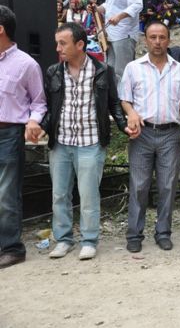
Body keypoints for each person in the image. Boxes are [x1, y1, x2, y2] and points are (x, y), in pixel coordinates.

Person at [40, 23, 133, 260]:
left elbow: (113, 103)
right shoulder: (53, 72)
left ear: (80, 45)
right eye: (57, 42)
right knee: (59, 194)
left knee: (89, 194)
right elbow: (50, 108)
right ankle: (63, 239)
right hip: (61, 142)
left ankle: (89, 240)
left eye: (63, 43)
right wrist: (40, 126)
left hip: (91, 142)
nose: (58, 48)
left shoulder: (103, 70)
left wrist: (124, 126)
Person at [119, 21, 180, 253]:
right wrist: (131, 113)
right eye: (152, 37)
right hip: (142, 134)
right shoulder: (133, 68)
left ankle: (163, 232)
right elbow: (124, 98)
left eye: (162, 37)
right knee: (139, 185)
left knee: (167, 185)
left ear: (169, 40)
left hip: (170, 134)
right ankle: (134, 234)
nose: (157, 42)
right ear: (145, 40)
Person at [0, 5, 46, 269]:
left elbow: (39, 102)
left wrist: (32, 121)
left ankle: (12, 248)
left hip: (8, 133)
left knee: (6, 194)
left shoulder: (26, 64)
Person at [95, 0, 143, 82]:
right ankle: (113, 102)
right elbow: (109, 5)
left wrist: (119, 16)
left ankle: (123, 102)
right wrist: (97, 8)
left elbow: (137, 5)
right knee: (110, 71)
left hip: (124, 34)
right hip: (110, 34)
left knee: (122, 73)